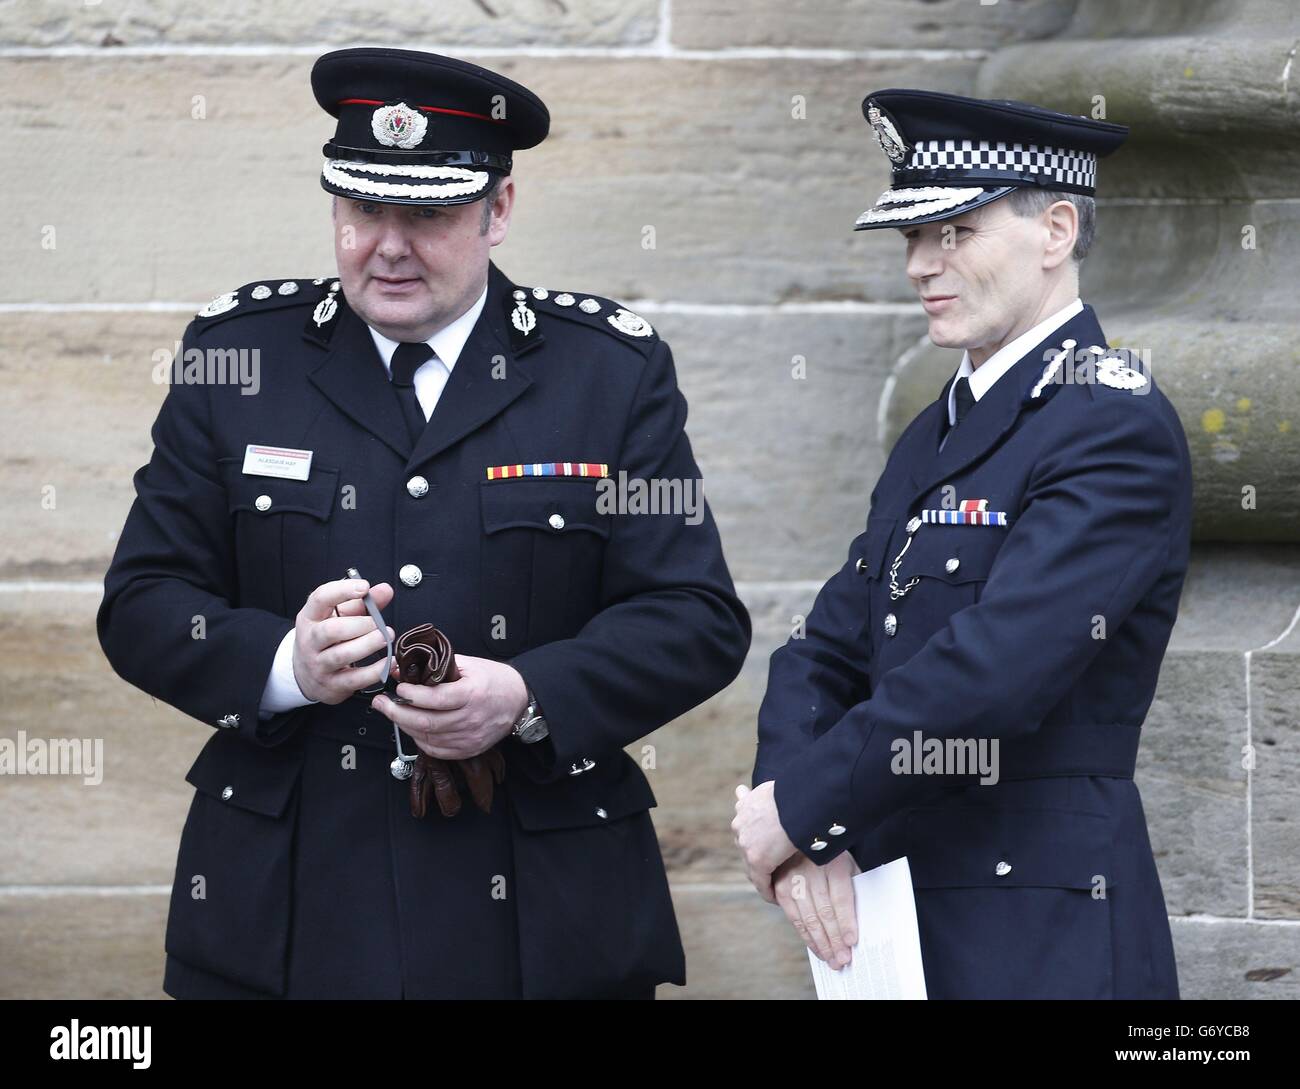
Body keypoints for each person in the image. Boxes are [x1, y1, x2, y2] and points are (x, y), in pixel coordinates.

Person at [97, 46, 750, 999]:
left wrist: (525, 693)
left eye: (430, 214)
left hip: (538, 919)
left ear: (500, 210)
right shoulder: (238, 360)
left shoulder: (607, 374)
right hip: (293, 912)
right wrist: (288, 667)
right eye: (363, 209)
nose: (388, 246)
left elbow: (696, 617)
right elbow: (144, 602)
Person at [732, 88, 1190, 999]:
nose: (920, 265)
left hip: (1038, 929)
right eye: (912, 237)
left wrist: (803, 808)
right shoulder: (939, 426)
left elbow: (995, 672)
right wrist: (802, 826)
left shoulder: (1109, 421)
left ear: (1056, 229)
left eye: (957, 233)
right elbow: (824, 645)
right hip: (901, 917)